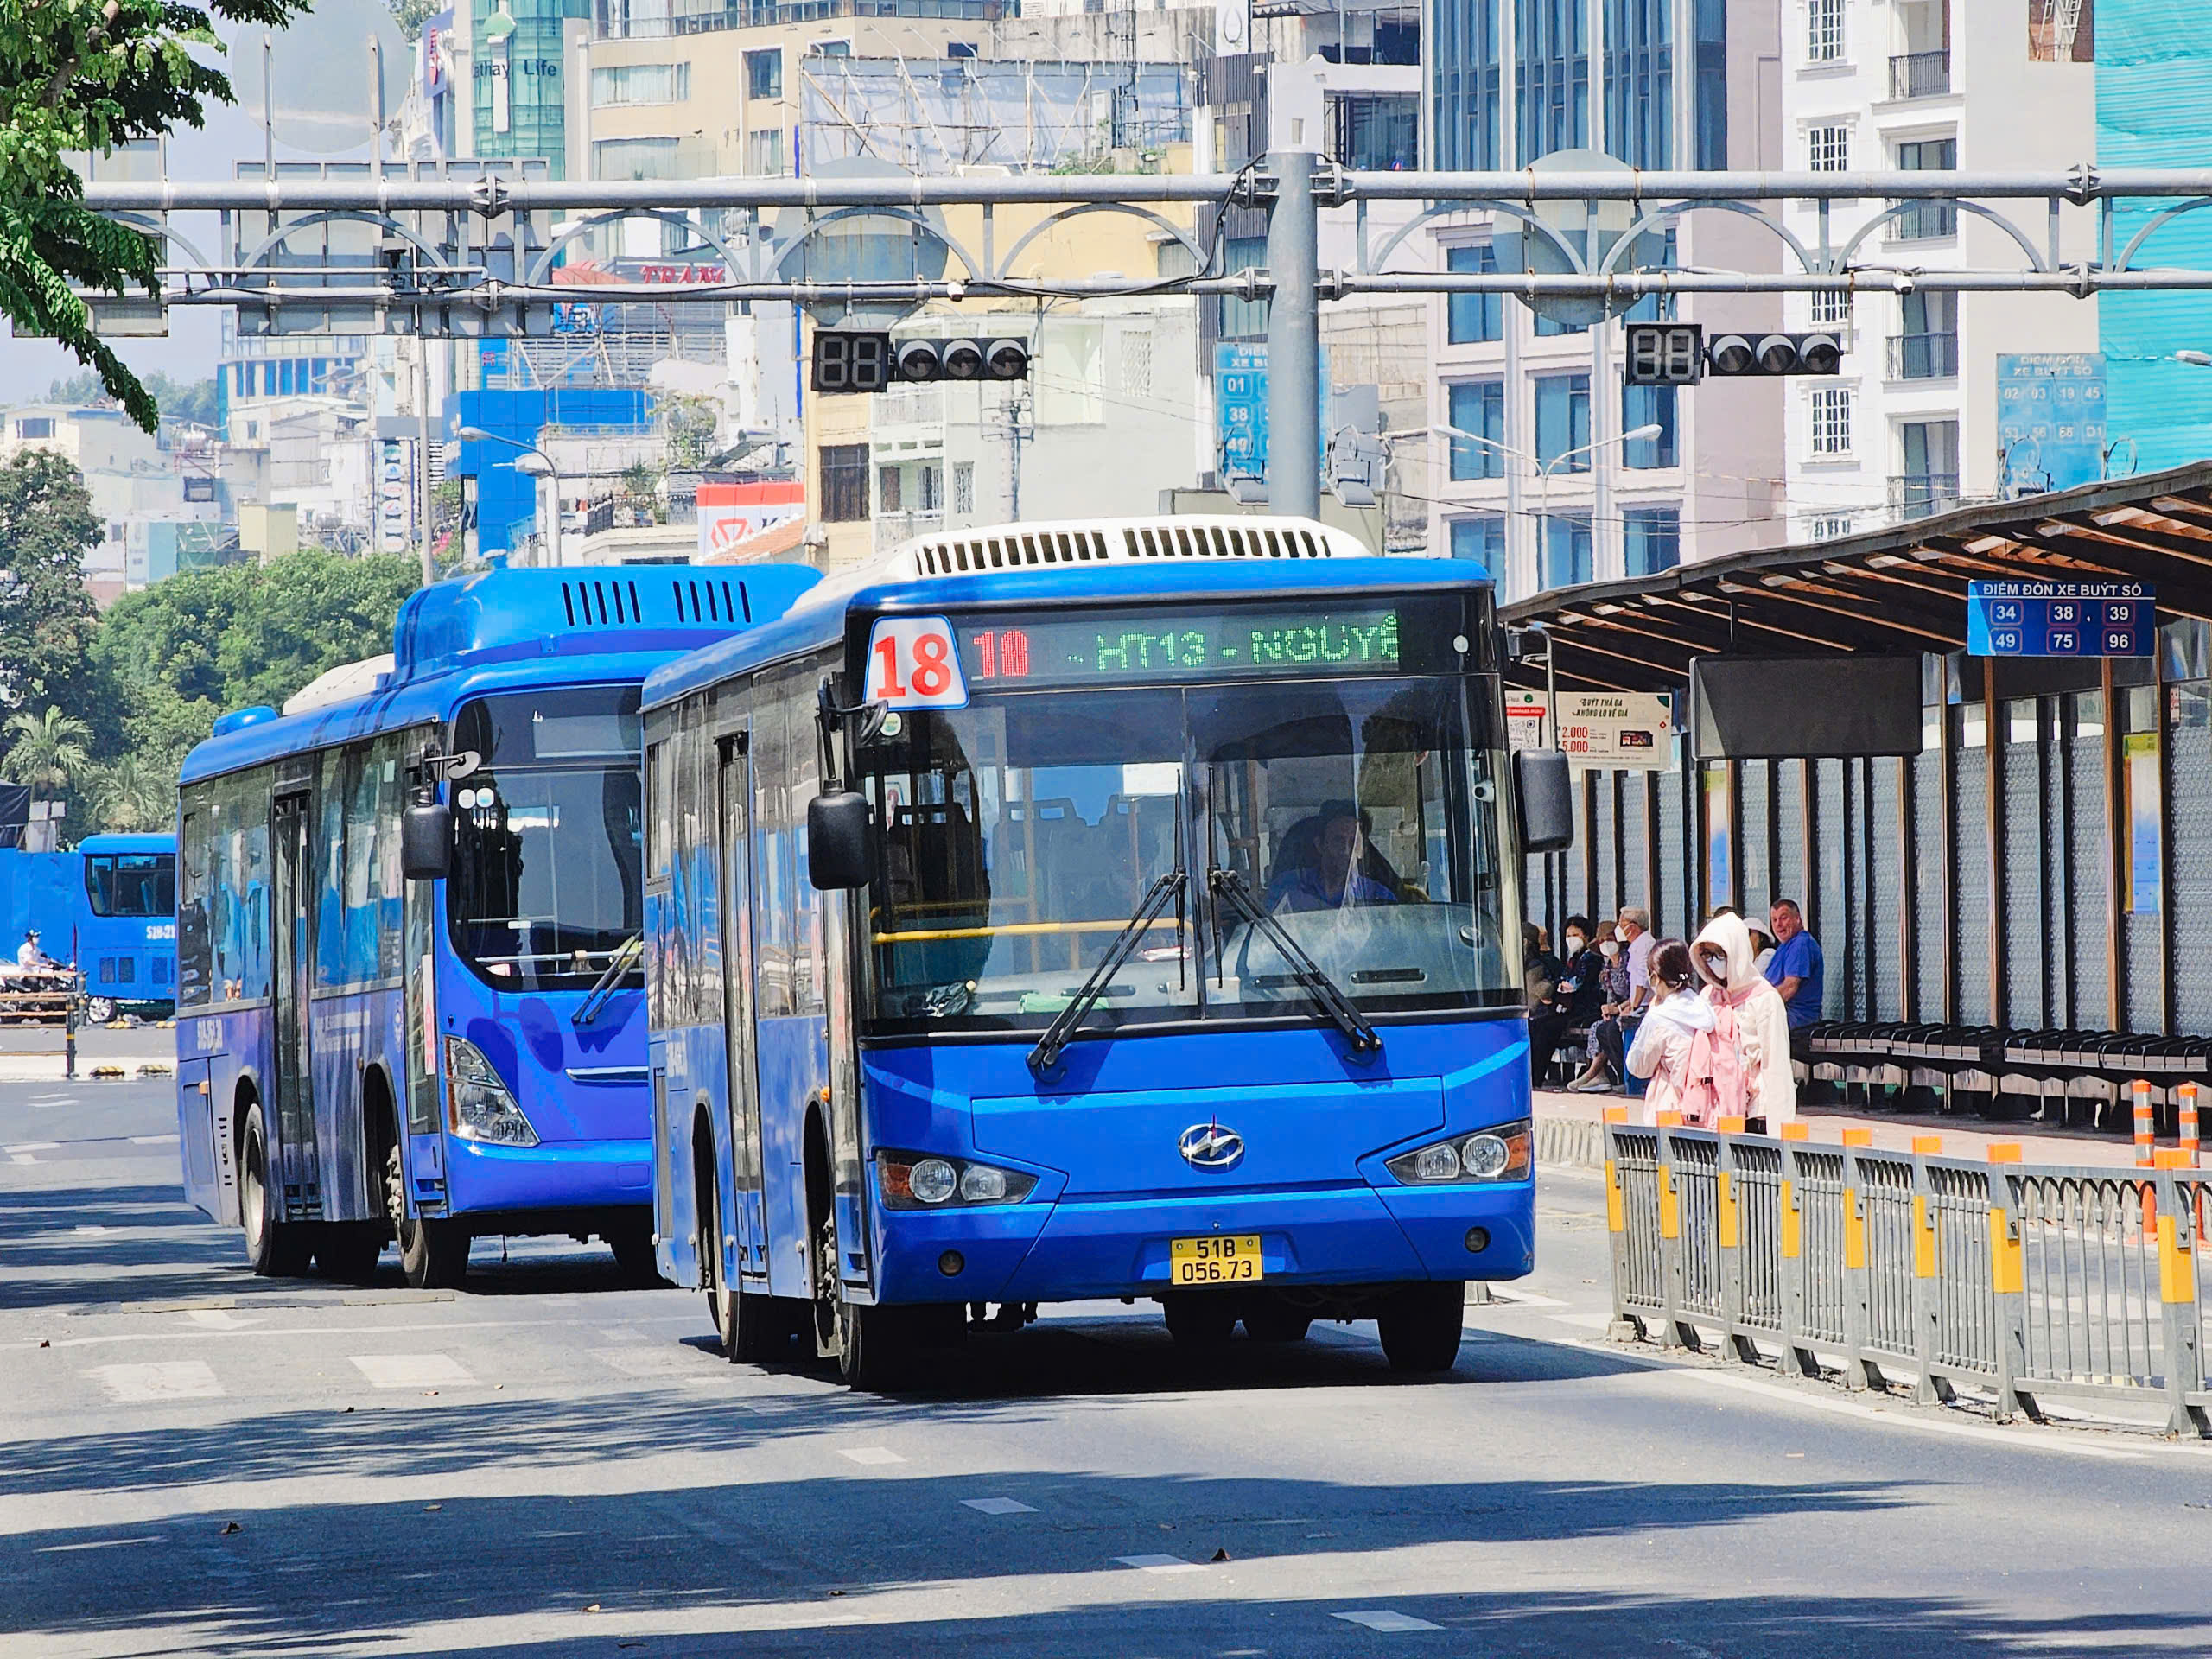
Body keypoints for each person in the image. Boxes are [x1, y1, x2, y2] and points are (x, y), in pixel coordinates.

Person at [1693, 910, 1796, 1125]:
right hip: (1714, 1107)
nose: (1713, 962)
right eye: (1707, 956)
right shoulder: (1709, 997)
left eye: (1719, 955)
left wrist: (1781, 1126)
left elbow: (1776, 1064)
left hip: (1756, 1108)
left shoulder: (1764, 998)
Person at [1626, 939, 1720, 1125]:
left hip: (1670, 1112)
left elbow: (1638, 1067)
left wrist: (1652, 1012)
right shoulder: (1707, 1008)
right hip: (1708, 1108)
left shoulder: (1659, 1017)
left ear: (1654, 977)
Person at [1265, 801, 1401, 913]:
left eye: (1354, 843)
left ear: (1362, 850)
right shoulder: (1287, 886)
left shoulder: (1381, 897)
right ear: (1320, 845)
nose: (1346, 850)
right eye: (1338, 840)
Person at [1576, 906, 1654, 1093]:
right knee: (1604, 1028)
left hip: (1641, 1007)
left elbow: (1641, 982)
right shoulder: (1630, 951)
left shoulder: (1642, 946)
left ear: (1632, 927)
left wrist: (1628, 1008)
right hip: (1631, 1006)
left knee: (1613, 1030)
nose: (1620, 928)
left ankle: (1631, 1080)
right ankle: (1617, 1076)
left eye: (1622, 924)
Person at [1529, 914, 1600, 1084]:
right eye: (1568, 936)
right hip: (1569, 1007)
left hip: (1586, 1008)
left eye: (1575, 935)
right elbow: (1564, 979)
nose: (1571, 939)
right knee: (1537, 1023)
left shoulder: (1592, 958)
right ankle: (1533, 1075)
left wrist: (1564, 987)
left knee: (1549, 1027)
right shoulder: (1574, 958)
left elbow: (1579, 984)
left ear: (1587, 936)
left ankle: (1536, 1077)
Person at [1764, 899, 1826, 1063]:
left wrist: (1760, 1009)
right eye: (1774, 920)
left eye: (1784, 918)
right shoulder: (1785, 946)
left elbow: (1790, 987)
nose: (1778, 925)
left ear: (1797, 919)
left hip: (1797, 1019)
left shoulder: (1800, 944)